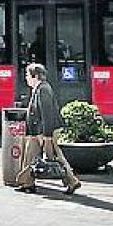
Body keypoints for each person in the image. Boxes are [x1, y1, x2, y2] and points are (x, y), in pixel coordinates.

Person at [15, 63, 80, 195]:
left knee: (55, 157)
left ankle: (72, 181)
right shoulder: (38, 88)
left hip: (44, 132)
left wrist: (47, 136)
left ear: (35, 76)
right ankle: (27, 183)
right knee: (29, 156)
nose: (26, 78)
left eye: (28, 75)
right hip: (36, 131)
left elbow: (47, 114)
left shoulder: (43, 89)